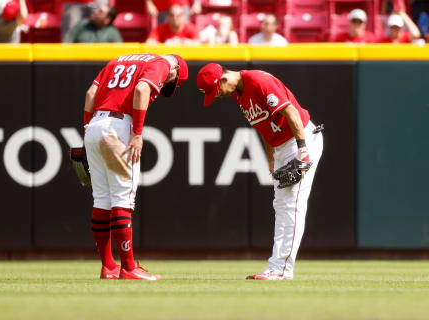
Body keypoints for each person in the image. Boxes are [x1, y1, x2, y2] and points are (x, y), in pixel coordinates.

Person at [197, 63, 323, 280]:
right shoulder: (239, 94)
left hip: (299, 141)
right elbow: (264, 126)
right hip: (282, 147)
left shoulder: (258, 81)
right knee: (281, 205)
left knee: (292, 205)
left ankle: (282, 269)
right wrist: (270, 157)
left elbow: (290, 110)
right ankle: (276, 266)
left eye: (215, 91)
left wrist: (303, 149)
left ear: (224, 79)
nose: (216, 96)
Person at [83, 53, 188, 280]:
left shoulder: (117, 60)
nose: (167, 84)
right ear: (176, 71)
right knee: (122, 198)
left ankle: (108, 266)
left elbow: (91, 94)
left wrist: (87, 127)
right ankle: (129, 268)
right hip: (119, 127)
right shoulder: (162, 63)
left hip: (94, 124)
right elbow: (142, 89)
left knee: (102, 199)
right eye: (171, 82)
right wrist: (137, 134)